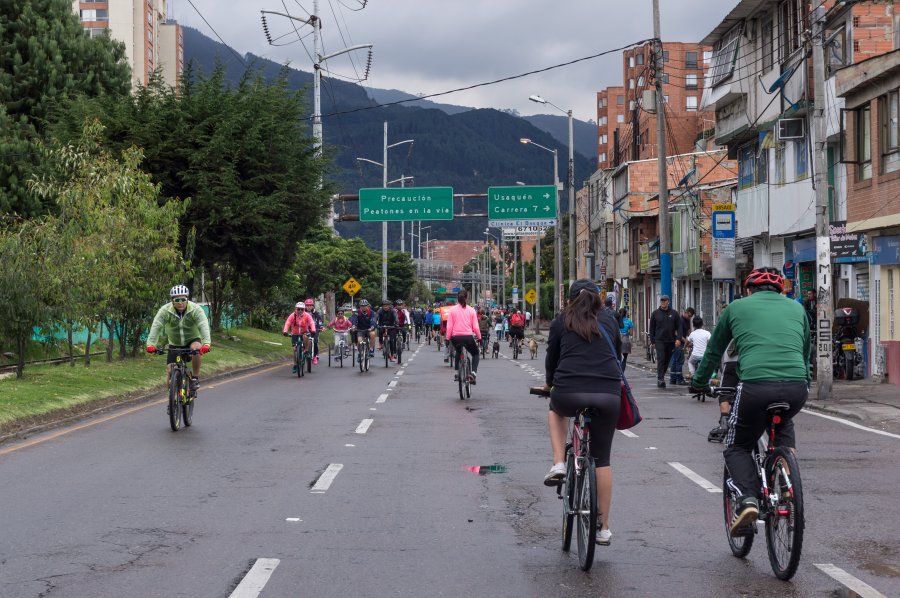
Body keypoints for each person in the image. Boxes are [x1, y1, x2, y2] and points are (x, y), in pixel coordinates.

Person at [690, 267, 810, 536]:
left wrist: (698, 382)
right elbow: (805, 353)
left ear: (748, 290)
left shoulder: (735, 308)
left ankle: (747, 499)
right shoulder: (797, 308)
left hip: (755, 386)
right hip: (796, 388)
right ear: (781, 290)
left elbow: (714, 351)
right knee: (783, 427)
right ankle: (787, 477)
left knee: (737, 445)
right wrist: (806, 384)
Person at [543, 279, 621, 546]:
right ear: (599, 299)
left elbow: (551, 359)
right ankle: (604, 527)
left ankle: (559, 463)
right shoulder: (609, 320)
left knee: (555, 410)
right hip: (609, 394)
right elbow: (619, 355)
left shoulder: (560, 321)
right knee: (602, 459)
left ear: (569, 299)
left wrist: (549, 384)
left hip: (568, 391)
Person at [146, 285, 212, 397]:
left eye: (183, 300)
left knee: (196, 348)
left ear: (187, 299)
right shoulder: (165, 310)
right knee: (170, 371)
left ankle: (195, 378)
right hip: (174, 344)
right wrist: (150, 344)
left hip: (192, 339)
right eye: (177, 300)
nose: (180, 303)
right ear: (172, 301)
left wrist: (206, 343)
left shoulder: (196, 309)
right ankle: (172, 399)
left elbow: (203, 325)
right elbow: (156, 326)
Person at [446, 289, 481, 383]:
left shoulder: (452, 310)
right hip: (468, 337)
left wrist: (447, 338)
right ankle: (473, 373)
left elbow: (449, 327)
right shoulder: (471, 310)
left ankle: (456, 373)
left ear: (457, 298)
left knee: (458, 351)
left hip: (455, 338)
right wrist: (480, 337)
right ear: (467, 298)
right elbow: (476, 327)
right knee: (476, 354)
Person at [649, 295, 683, 388]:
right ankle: (660, 379)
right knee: (661, 358)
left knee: (667, 360)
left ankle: (661, 376)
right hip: (659, 340)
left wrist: (678, 339)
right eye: (661, 301)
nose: (663, 302)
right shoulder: (655, 313)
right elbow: (651, 328)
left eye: (665, 301)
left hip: (671, 341)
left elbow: (679, 327)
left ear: (668, 301)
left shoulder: (674, 313)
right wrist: (652, 341)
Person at [282, 301, 316, 373]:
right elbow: (288, 322)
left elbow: (311, 322)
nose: (300, 311)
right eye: (298, 309)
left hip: (304, 332)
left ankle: (306, 351)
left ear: (304, 310)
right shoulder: (292, 315)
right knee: (294, 349)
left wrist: (313, 330)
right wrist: (285, 331)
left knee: (305, 336)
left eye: (302, 309)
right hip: (295, 333)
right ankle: (295, 365)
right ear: (296, 309)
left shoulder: (307, 315)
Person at [670, 307, 694, 385]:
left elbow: (688, 331)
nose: (689, 317)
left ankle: (673, 379)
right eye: (689, 315)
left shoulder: (687, 320)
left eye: (691, 316)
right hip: (677, 342)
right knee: (679, 361)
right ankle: (679, 379)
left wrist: (692, 338)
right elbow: (677, 332)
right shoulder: (680, 320)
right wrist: (686, 341)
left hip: (682, 342)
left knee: (675, 360)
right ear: (686, 312)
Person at [306, 298, 323, 365]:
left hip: (315, 329)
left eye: (310, 305)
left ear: (313, 306)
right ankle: (304, 352)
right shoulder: (303, 312)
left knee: (315, 342)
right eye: (307, 305)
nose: (309, 307)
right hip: (306, 328)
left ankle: (315, 356)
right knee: (303, 341)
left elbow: (320, 321)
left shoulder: (316, 313)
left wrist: (321, 327)